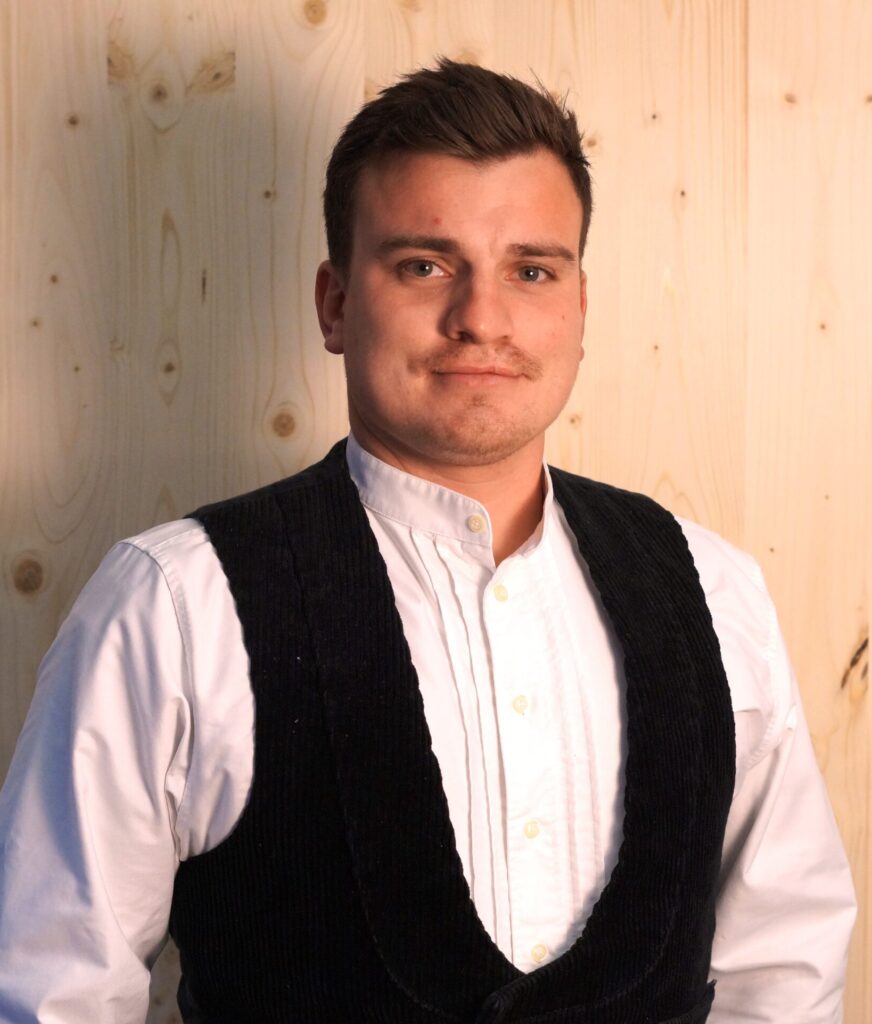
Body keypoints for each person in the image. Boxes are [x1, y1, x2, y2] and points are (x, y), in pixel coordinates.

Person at [0, 59, 856, 1024]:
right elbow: (52, 994)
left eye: (531, 271)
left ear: (579, 309)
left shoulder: (714, 593)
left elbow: (784, 968)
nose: (481, 318)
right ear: (335, 304)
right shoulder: (174, 606)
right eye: (424, 265)